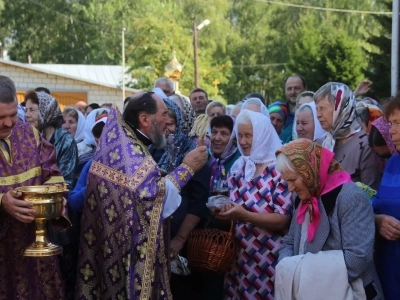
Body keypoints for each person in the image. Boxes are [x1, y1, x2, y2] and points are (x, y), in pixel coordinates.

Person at [75, 92, 208, 299]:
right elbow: (154, 198)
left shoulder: (125, 143)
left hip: (115, 250)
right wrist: (187, 168)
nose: (167, 121)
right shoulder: (131, 153)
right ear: (145, 119)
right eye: (164, 114)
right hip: (129, 256)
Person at [275, 139, 383, 299]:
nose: (290, 188)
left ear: (309, 171)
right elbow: (289, 242)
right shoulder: (302, 196)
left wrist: (299, 273)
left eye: (293, 180)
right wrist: (289, 269)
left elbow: (357, 259)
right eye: (287, 181)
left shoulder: (350, 197)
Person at [0, 76, 66, 299]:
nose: (8, 124)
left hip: (35, 244)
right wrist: (1, 201)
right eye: (1, 117)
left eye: (12, 116)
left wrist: (55, 198)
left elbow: (53, 174)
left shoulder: (31, 134)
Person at [215, 109, 292, 299]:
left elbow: (283, 219)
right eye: (240, 135)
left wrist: (244, 215)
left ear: (262, 134)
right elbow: (232, 206)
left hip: (268, 258)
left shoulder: (279, 169)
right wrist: (223, 211)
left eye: (248, 135)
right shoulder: (240, 166)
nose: (243, 141)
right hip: (239, 259)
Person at [314, 82, 381, 190]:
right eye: (316, 109)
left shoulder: (366, 145)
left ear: (341, 109)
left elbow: (371, 195)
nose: (318, 114)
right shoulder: (319, 144)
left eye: (323, 108)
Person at [373, 95, 400, 300]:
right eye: (391, 124)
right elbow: (377, 205)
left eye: (398, 123)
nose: (391, 131)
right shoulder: (392, 164)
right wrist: (377, 220)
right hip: (388, 269)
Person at [25, 91, 78, 188]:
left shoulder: (66, 141)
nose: (27, 115)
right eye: (26, 110)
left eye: (32, 110)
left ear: (45, 111)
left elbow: (66, 180)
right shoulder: (33, 139)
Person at [69, 112, 109, 213]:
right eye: (97, 141)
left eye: (105, 140)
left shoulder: (129, 165)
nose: (101, 145)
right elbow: (73, 201)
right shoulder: (91, 163)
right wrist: (92, 186)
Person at [209, 115, 241, 192]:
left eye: (223, 134)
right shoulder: (205, 158)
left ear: (233, 138)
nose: (217, 138)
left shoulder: (239, 163)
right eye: (214, 132)